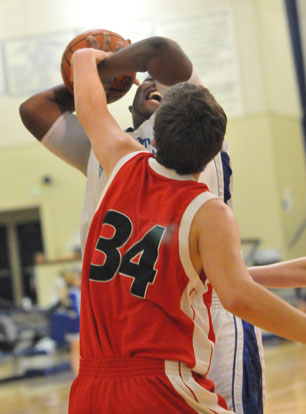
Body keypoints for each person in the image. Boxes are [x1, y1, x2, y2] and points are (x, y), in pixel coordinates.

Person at [19, 35, 306, 413]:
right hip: (158, 365)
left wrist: (95, 64)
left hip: (151, 346)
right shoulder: (199, 204)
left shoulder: (121, 162)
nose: (150, 80)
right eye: (145, 81)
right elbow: (240, 292)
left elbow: (150, 59)